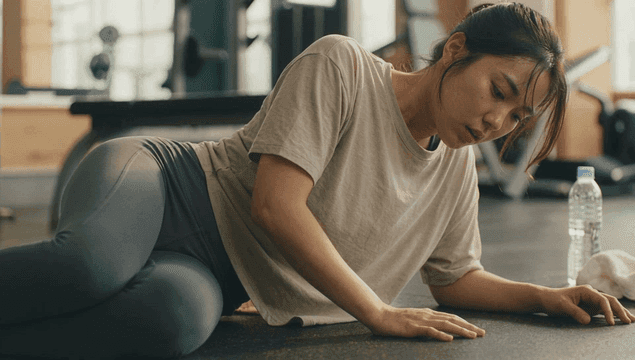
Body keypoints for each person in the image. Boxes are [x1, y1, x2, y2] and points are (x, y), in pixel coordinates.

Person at [1, 2, 633, 359]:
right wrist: (377, 312)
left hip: (220, 275)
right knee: (88, 267)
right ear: (455, 49)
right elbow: (276, 206)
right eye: (499, 92)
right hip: (163, 185)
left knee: (167, 323)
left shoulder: (456, 167)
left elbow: (456, 278)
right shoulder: (342, 65)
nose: (499, 121)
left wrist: (543, 296)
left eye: (518, 117)